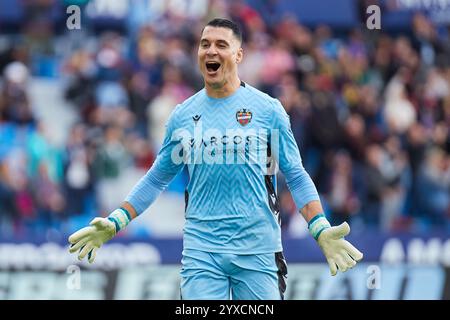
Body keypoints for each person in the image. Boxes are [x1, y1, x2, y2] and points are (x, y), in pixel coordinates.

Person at [68, 18, 363, 300]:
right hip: (201, 252)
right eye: (204, 44)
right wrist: (116, 221)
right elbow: (157, 177)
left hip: (258, 250)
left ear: (239, 54)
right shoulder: (183, 116)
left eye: (221, 44)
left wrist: (320, 228)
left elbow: (295, 175)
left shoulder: (267, 110)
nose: (211, 50)